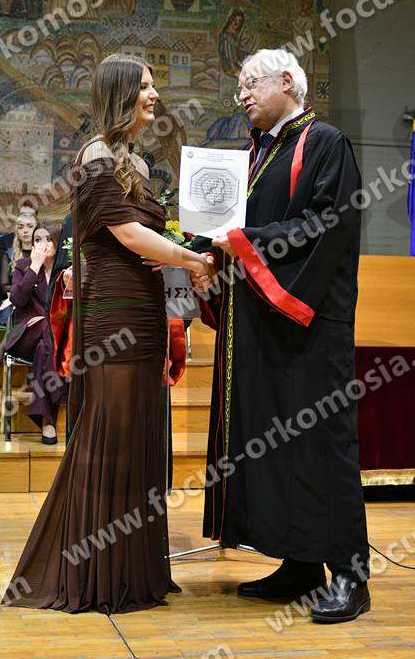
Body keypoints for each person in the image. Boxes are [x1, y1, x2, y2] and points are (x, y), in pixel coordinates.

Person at [3, 53, 212, 615]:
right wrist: (193, 260)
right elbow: (131, 236)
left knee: (139, 433)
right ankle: (97, 574)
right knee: (110, 435)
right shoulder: (95, 156)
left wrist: (183, 250)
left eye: (154, 84)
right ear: (120, 94)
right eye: (144, 85)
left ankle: (133, 571)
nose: (154, 94)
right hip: (112, 314)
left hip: (143, 311)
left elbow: (149, 236)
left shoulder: (135, 162)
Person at [191, 49, 370, 624]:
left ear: (287, 81)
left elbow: (325, 226)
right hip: (262, 323)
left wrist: (244, 242)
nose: (240, 95)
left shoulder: (326, 143)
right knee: (279, 446)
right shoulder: (258, 153)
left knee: (321, 447)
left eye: (250, 84)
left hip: (310, 323)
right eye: (238, 87)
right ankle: (300, 565)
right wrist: (210, 253)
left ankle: (350, 575)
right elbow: (236, 232)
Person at [0, 223, 66, 445]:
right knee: (44, 331)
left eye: (48, 239)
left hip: (53, 340)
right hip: (26, 335)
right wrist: (35, 266)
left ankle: (46, 420)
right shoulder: (24, 266)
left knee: (45, 346)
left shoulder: (66, 270)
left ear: (58, 242)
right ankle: (59, 396)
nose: (43, 244)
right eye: (38, 240)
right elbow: (17, 299)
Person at [0, 211, 36, 325]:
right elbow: (4, 287)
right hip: (13, 301)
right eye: (21, 227)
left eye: (30, 226)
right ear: (16, 231)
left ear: (36, 230)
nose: (25, 230)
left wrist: (21, 291)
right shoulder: (9, 254)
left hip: (37, 301)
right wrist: (20, 293)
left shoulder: (42, 254)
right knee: (12, 314)